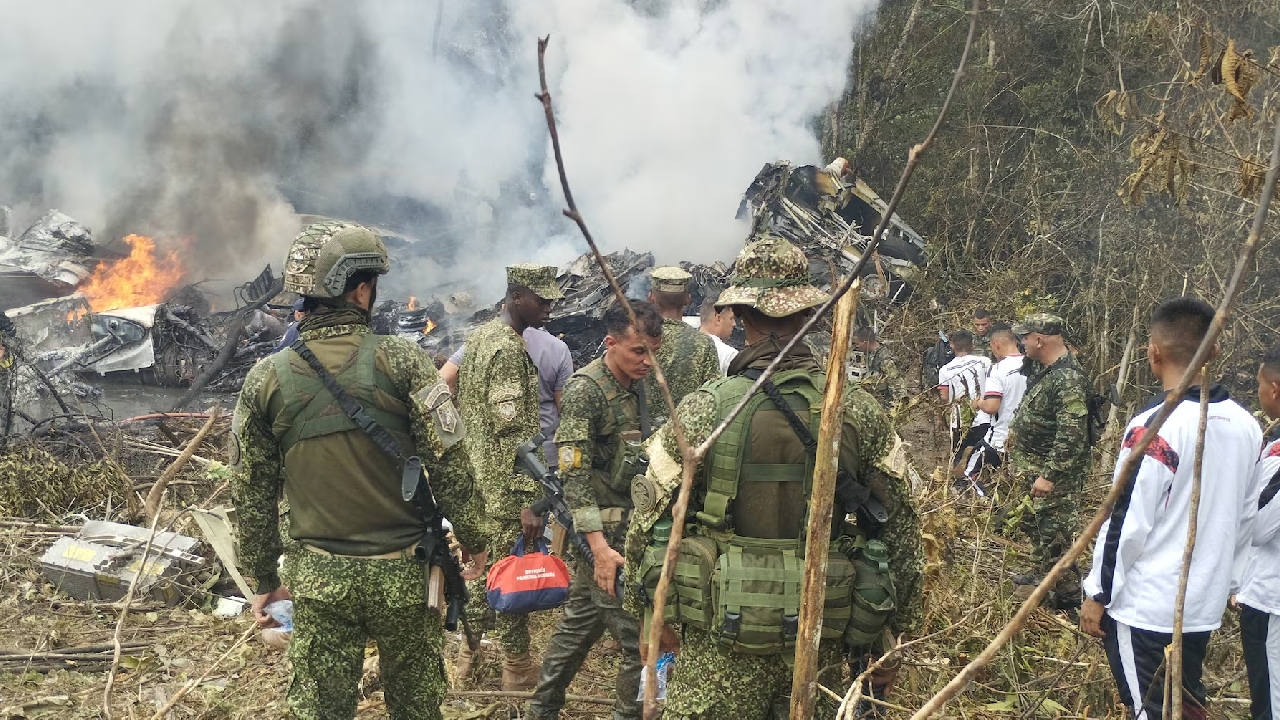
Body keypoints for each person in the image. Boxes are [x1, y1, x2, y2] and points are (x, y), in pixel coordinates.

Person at [623, 235, 923, 719]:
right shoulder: (856, 409)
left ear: (740, 317)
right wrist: (894, 639)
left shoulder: (705, 410)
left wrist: (648, 616)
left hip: (718, 651)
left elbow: (647, 524)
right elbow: (903, 529)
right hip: (819, 643)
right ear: (808, 316)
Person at [230, 221, 489, 720]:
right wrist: (476, 539)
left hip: (320, 577)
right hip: (405, 574)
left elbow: (251, 492)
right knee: (416, 707)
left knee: (322, 710)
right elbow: (450, 462)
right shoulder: (404, 361)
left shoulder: (266, 378)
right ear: (362, 289)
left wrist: (263, 575)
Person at [1080, 298, 1262, 720]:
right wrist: (1229, 581)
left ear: (1153, 353)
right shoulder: (1246, 425)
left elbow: (1127, 518)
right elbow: (1246, 519)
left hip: (1146, 606)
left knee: (1149, 710)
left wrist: (1099, 592)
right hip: (1202, 606)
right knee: (1184, 703)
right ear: (1214, 352)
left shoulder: (1153, 427)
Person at [524, 301, 664, 720]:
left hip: (630, 528)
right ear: (611, 343)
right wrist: (599, 549)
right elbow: (574, 475)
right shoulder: (586, 390)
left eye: (653, 350)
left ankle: (540, 709)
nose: (647, 360)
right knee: (636, 642)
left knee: (578, 626)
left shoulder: (642, 384)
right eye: (638, 350)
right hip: (603, 538)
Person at [454, 264, 563, 690]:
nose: (549, 308)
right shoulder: (507, 351)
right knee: (510, 577)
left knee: (485, 576)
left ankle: (467, 654)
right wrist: (529, 500)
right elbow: (515, 434)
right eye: (542, 300)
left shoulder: (480, 337)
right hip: (504, 487)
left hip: (480, 481)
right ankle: (516, 668)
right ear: (517, 297)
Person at [1004, 313, 1092, 607]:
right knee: (1035, 523)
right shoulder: (1045, 370)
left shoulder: (1067, 379)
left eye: (1025, 338)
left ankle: (1068, 597)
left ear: (1039, 339)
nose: (1021, 343)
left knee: (1055, 533)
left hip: (1054, 474)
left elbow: (1072, 432)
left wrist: (1050, 475)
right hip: (1032, 465)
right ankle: (1041, 574)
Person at [442, 323, 573, 468]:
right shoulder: (558, 348)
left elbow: (445, 381)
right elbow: (566, 412)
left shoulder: (480, 342)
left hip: (494, 457)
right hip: (546, 455)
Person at [1239, 344, 1280, 720]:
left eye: (1259, 385)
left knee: (1270, 701)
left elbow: (1261, 526)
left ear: (1275, 389)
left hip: (1271, 598)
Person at [644, 266, 720, 427]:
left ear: (651, 298)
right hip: (684, 439)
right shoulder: (704, 344)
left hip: (639, 440)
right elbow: (713, 397)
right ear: (688, 299)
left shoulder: (637, 341)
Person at [965, 326, 1026, 490]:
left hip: (999, 439)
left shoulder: (998, 369)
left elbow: (992, 406)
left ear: (996, 344)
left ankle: (987, 508)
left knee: (969, 475)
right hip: (1026, 440)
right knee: (1013, 484)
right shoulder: (1032, 365)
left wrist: (978, 403)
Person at [937, 329, 992, 478]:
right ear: (972, 346)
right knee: (982, 454)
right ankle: (981, 484)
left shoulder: (945, 370)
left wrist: (942, 416)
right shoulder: (984, 362)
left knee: (960, 455)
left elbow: (944, 396)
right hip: (985, 416)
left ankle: (961, 484)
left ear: (952, 345)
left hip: (960, 420)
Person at [853, 325, 906, 409]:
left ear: (865, 342)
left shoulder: (884, 358)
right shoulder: (871, 352)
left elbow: (897, 383)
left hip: (886, 403)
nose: (856, 346)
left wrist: (897, 408)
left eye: (857, 343)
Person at [684, 294, 738, 374]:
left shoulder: (684, 346)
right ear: (718, 319)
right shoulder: (728, 355)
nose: (734, 324)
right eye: (731, 318)